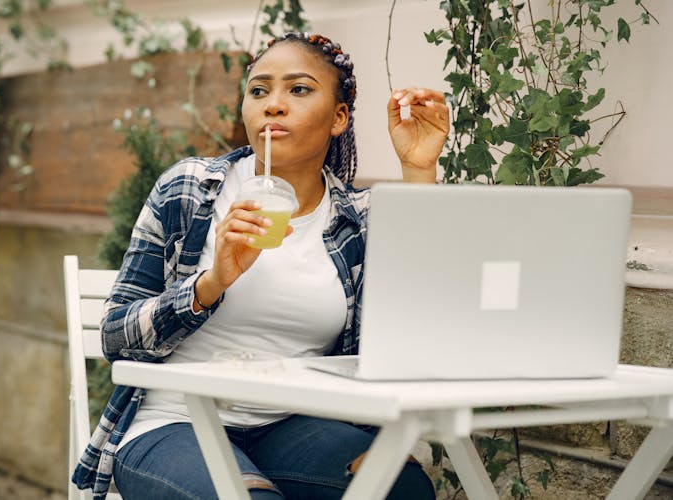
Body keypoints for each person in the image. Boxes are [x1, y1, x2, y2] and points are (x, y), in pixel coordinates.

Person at [72, 31, 450, 499]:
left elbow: (417, 318)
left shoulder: (359, 219)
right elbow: (115, 334)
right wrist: (210, 283)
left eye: (299, 89)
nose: (273, 104)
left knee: (403, 490)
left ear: (339, 118)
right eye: (258, 90)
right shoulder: (189, 190)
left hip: (291, 423)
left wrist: (417, 169)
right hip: (173, 420)